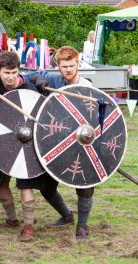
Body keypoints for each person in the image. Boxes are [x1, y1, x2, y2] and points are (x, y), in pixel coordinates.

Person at [0, 51, 47, 241]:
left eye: (14, 72)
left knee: (24, 182)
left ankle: (28, 226)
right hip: (1, 137)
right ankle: (12, 219)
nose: (10, 77)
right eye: (6, 72)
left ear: (18, 71)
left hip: (26, 140)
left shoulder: (29, 88)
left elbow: (41, 115)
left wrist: (40, 83)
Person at [26, 46, 95, 240]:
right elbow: (28, 75)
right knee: (47, 187)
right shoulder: (54, 80)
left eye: (72, 65)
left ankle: (82, 227)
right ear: (58, 65)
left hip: (82, 144)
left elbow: (101, 118)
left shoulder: (87, 87)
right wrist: (37, 79)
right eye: (64, 66)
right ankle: (66, 216)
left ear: (78, 63)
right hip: (56, 143)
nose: (68, 70)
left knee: (85, 186)